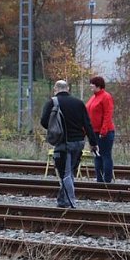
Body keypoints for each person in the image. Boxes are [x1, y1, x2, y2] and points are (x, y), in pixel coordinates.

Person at [40, 80, 98, 208]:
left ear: (55, 89)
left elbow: (43, 121)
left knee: (65, 174)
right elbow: (87, 124)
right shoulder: (79, 103)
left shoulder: (52, 102)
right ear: (68, 89)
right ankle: (62, 201)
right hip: (79, 143)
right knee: (70, 172)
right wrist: (93, 143)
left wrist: (55, 127)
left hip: (63, 142)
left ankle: (71, 202)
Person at [85, 75, 115, 183]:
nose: (90, 86)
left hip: (104, 132)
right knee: (97, 156)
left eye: (92, 84)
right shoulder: (93, 97)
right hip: (94, 132)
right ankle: (99, 180)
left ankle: (107, 180)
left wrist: (103, 130)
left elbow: (108, 114)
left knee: (105, 155)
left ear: (98, 85)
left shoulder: (106, 97)